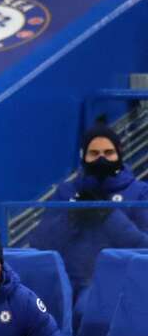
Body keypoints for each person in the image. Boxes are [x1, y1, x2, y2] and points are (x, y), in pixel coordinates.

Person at [28, 124, 148, 306]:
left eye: (108, 153)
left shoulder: (140, 193)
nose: (102, 159)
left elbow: (144, 246)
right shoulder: (66, 192)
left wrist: (108, 215)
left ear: (119, 154)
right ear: (84, 156)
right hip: (68, 285)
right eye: (94, 153)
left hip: (122, 283)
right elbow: (40, 242)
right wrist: (71, 216)